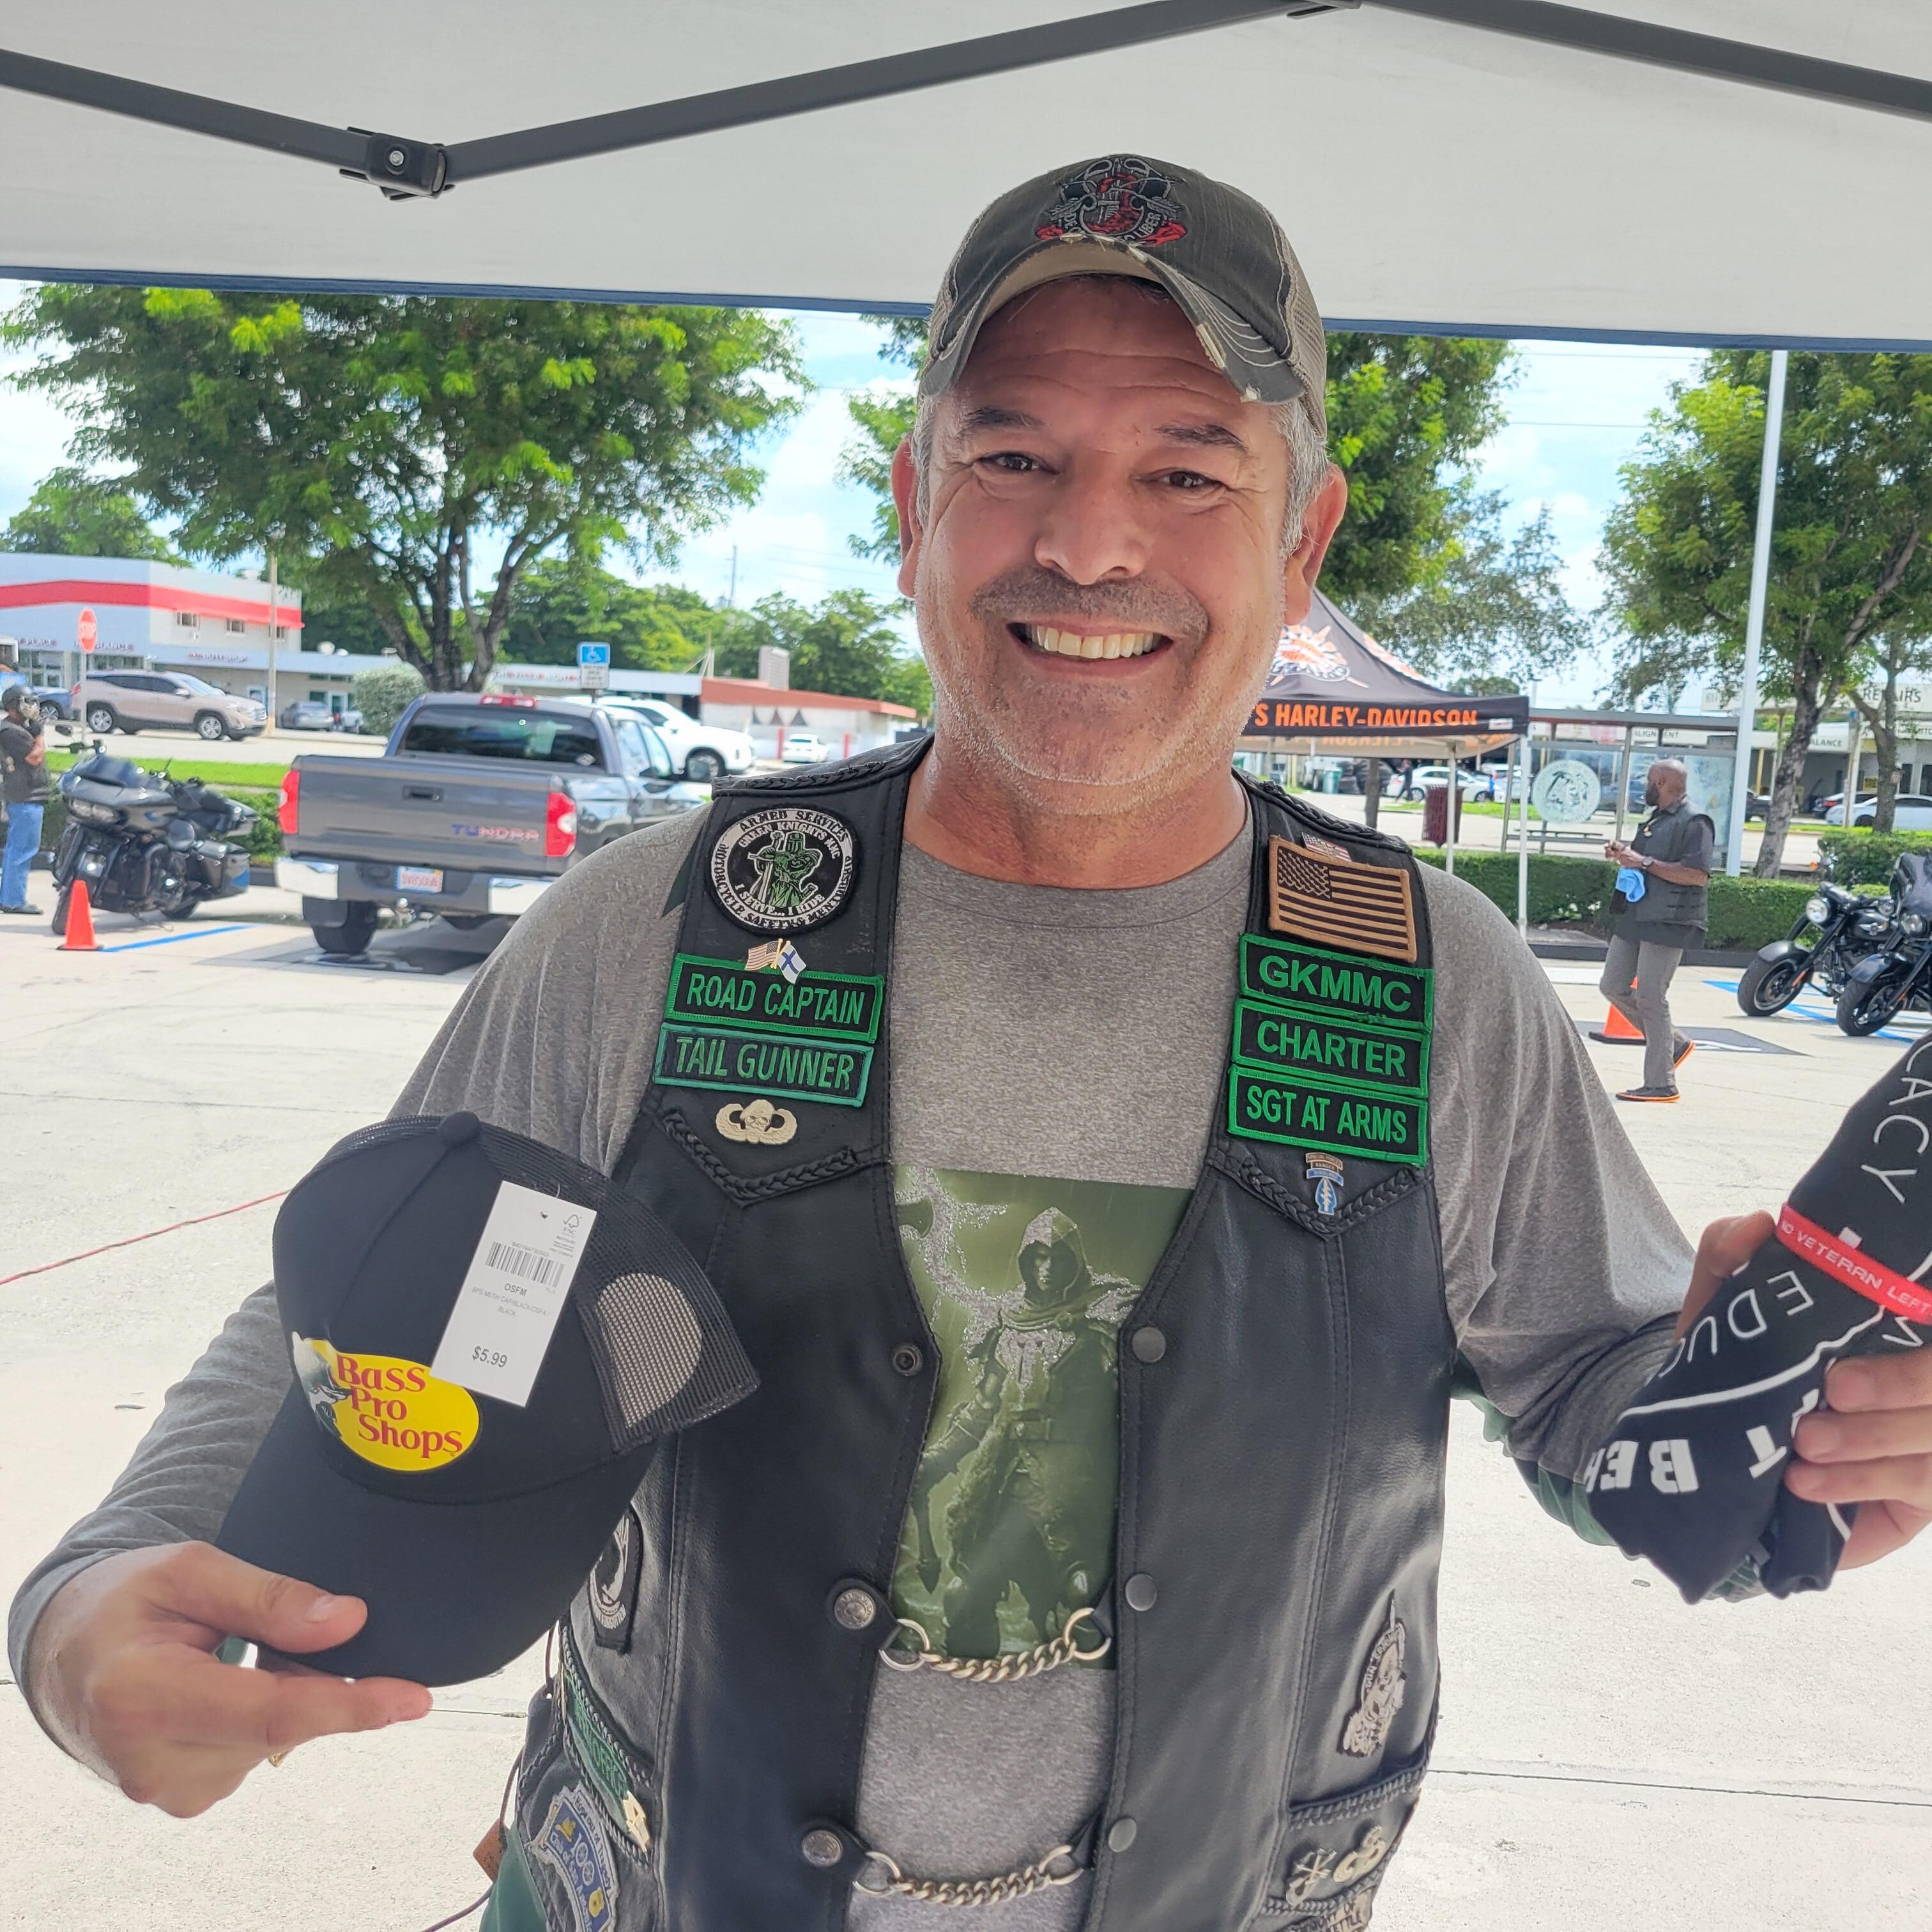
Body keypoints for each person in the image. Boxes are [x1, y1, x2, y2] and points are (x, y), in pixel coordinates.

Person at [10, 158, 1932, 1932]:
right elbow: (386, 1277)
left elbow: (1596, 1398)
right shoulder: (677, 925)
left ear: (1305, 532)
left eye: (1189, 470)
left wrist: (1791, 1440)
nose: (1088, 548)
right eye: (1013, 457)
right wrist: (100, 1583)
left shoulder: (1431, 978)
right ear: (920, 503)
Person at [1600, 758, 1715, 1103]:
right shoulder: (1657, 819)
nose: (1645, 787)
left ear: (1662, 781)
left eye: (1649, 781)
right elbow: (1644, 862)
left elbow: (1698, 874)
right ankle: (1673, 1044)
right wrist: (1626, 854)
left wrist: (1644, 862)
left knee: (1651, 996)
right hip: (1637, 914)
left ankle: (1661, 1084)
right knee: (1612, 986)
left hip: (1670, 920)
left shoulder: (1695, 821)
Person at [1, 682, 51, 916]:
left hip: (25, 797)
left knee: (18, 849)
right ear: (13, 707)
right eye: (26, 702)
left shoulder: (18, 729)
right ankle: (13, 901)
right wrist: (40, 735)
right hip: (25, 797)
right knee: (22, 850)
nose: (32, 707)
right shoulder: (11, 732)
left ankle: (10, 898)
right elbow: (34, 758)